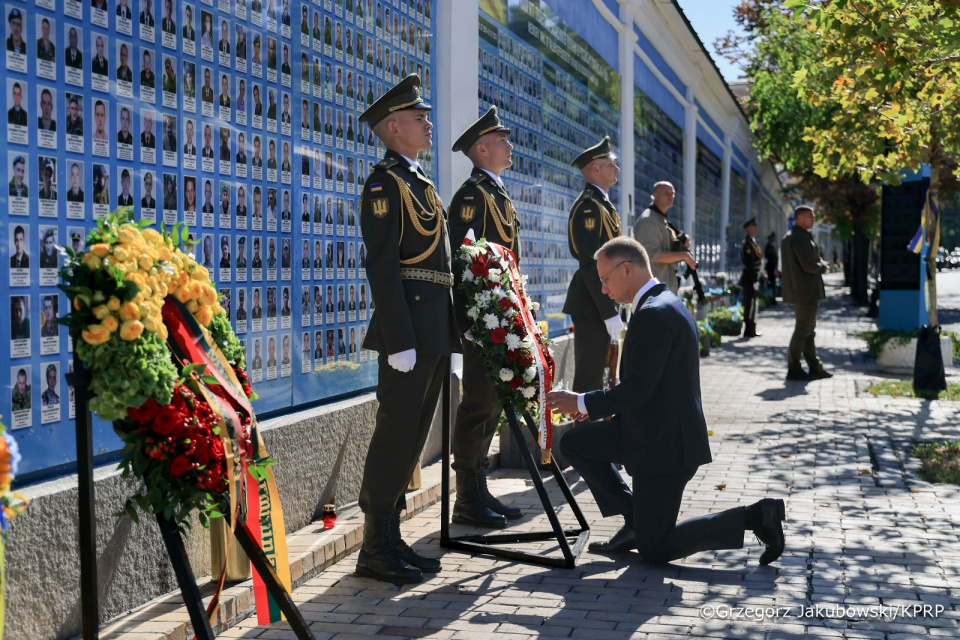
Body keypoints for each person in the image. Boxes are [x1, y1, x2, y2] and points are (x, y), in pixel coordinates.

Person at [546, 236, 787, 566]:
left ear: (627, 269)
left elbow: (637, 390)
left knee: (655, 549)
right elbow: (646, 389)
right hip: (644, 430)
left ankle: (758, 516)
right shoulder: (661, 302)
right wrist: (593, 406)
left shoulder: (654, 314)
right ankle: (637, 520)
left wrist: (582, 402)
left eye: (604, 279)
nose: (602, 289)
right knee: (575, 443)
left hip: (665, 448)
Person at [355, 74, 459, 585]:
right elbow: (383, 267)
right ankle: (375, 547)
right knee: (395, 435)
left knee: (413, 438)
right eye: (420, 119)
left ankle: (390, 541)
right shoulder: (384, 183)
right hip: (409, 335)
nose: (429, 124)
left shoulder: (419, 182)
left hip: (432, 330)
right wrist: (400, 339)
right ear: (393, 128)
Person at [445, 107, 523, 528]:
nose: (509, 146)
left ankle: (479, 490)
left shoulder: (496, 193)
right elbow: (464, 259)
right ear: (481, 149)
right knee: (478, 404)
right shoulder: (473, 196)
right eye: (501, 140)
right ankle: (467, 497)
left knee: (492, 404)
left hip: (502, 321)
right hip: (483, 324)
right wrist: (473, 323)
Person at [563, 136, 623, 393]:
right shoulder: (589, 207)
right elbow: (590, 265)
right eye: (612, 164)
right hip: (592, 304)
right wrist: (608, 311)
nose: (617, 169)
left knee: (603, 376)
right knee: (590, 377)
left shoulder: (603, 205)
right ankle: (583, 433)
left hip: (602, 301)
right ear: (596, 169)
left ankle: (596, 430)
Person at [781, 206, 831, 381]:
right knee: (803, 330)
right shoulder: (800, 238)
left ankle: (814, 367)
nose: (814, 219)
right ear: (800, 218)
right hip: (806, 291)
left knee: (808, 331)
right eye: (811, 216)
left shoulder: (792, 237)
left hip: (801, 290)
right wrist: (823, 266)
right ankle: (793, 368)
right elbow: (809, 265)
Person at [633, 182, 698, 296]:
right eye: (666, 193)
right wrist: (684, 256)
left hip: (663, 287)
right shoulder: (648, 220)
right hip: (653, 291)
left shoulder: (660, 218)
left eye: (672, 193)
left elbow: (667, 246)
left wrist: (681, 241)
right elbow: (651, 255)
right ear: (655, 195)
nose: (671, 196)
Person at [739, 218, 763, 339]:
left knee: (753, 304)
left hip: (754, 278)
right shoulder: (747, 244)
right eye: (754, 227)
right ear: (748, 229)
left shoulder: (752, 242)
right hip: (749, 279)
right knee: (749, 304)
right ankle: (748, 329)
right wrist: (754, 281)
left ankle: (752, 328)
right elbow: (749, 265)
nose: (756, 229)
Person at [764, 232, 779, 303]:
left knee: (773, 283)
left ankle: (773, 298)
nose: (774, 239)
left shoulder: (772, 246)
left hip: (773, 267)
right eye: (773, 237)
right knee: (771, 283)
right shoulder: (769, 246)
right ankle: (771, 298)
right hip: (770, 268)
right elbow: (771, 258)